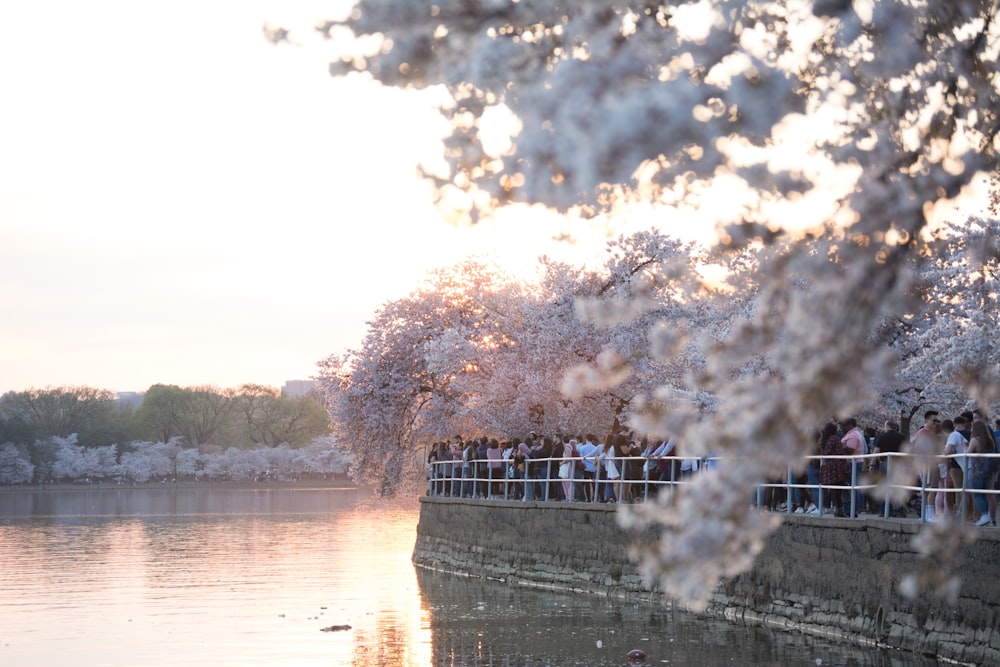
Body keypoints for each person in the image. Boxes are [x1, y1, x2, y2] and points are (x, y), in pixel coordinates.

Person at [912, 410, 943, 522]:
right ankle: (929, 514)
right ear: (926, 420)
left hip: (931, 462)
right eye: (934, 421)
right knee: (931, 488)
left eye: (937, 421)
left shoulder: (930, 433)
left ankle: (926, 514)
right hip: (928, 463)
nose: (936, 423)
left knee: (930, 488)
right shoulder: (923, 433)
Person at [966, 419, 997, 526]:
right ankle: (988, 517)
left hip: (977, 470)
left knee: (978, 495)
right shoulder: (989, 440)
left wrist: (964, 446)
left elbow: (968, 453)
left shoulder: (975, 439)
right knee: (984, 494)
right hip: (988, 471)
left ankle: (984, 516)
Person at [818, 421, 850, 517]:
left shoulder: (822, 440)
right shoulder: (835, 439)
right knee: (839, 488)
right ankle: (839, 509)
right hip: (836, 466)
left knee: (832, 488)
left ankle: (835, 507)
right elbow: (840, 451)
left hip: (826, 465)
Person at [944, 416, 970, 520]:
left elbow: (947, 451)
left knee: (964, 491)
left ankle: (960, 515)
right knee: (966, 491)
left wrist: (943, 452)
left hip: (967, 466)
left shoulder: (954, 435)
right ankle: (963, 515)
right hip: (968, 465)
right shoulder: (964, 435)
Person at [839, 417, 866, 517]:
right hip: (853, 462)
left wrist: (840, 447)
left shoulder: (853, 435)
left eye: (842, 426)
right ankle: (854, 507)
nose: (841, 429)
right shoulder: (851, 434)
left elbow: (850, 450)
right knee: (853, 484)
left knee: (854, 485)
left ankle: (856, 507)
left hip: (853, 462)